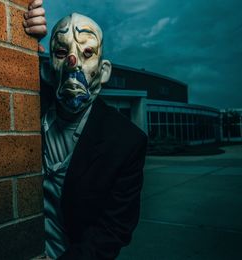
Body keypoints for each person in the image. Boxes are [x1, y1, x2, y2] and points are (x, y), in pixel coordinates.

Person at [25, 4, 147, 260]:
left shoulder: (126, 142)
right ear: (48, 70)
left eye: (87, 52)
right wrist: (22, 33)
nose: (73, 62)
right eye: (61, 51)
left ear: (103, 72)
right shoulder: (27, 108)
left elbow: (113, 230)